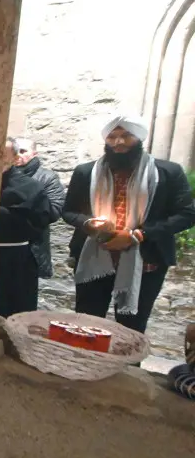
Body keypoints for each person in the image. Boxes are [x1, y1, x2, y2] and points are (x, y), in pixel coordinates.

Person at [62, 114, 195, 334]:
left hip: (146, 262)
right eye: (112, 136)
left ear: (139, 137)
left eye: (126, 135)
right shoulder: (85, 172)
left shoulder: (167, 173)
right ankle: (85, 366)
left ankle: (127, 369)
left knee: (131, 330)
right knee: (86, 323)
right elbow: (68, 211)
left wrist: (137, 235)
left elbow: (187, 214)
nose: (118, 142)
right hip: (94, 257)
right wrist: (88, 223)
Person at [0, 139, 53, 318]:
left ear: (14, 158)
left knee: (8, 312)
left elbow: (38, 223)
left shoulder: (31, 187)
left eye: (2, 154)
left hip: (13, 260)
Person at [13, 137, 66, 279]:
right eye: (15, 151)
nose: (18, 154)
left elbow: (54, 211)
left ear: (34, 154)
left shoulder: (47, 178)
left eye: (23, 151)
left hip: (32, 247)